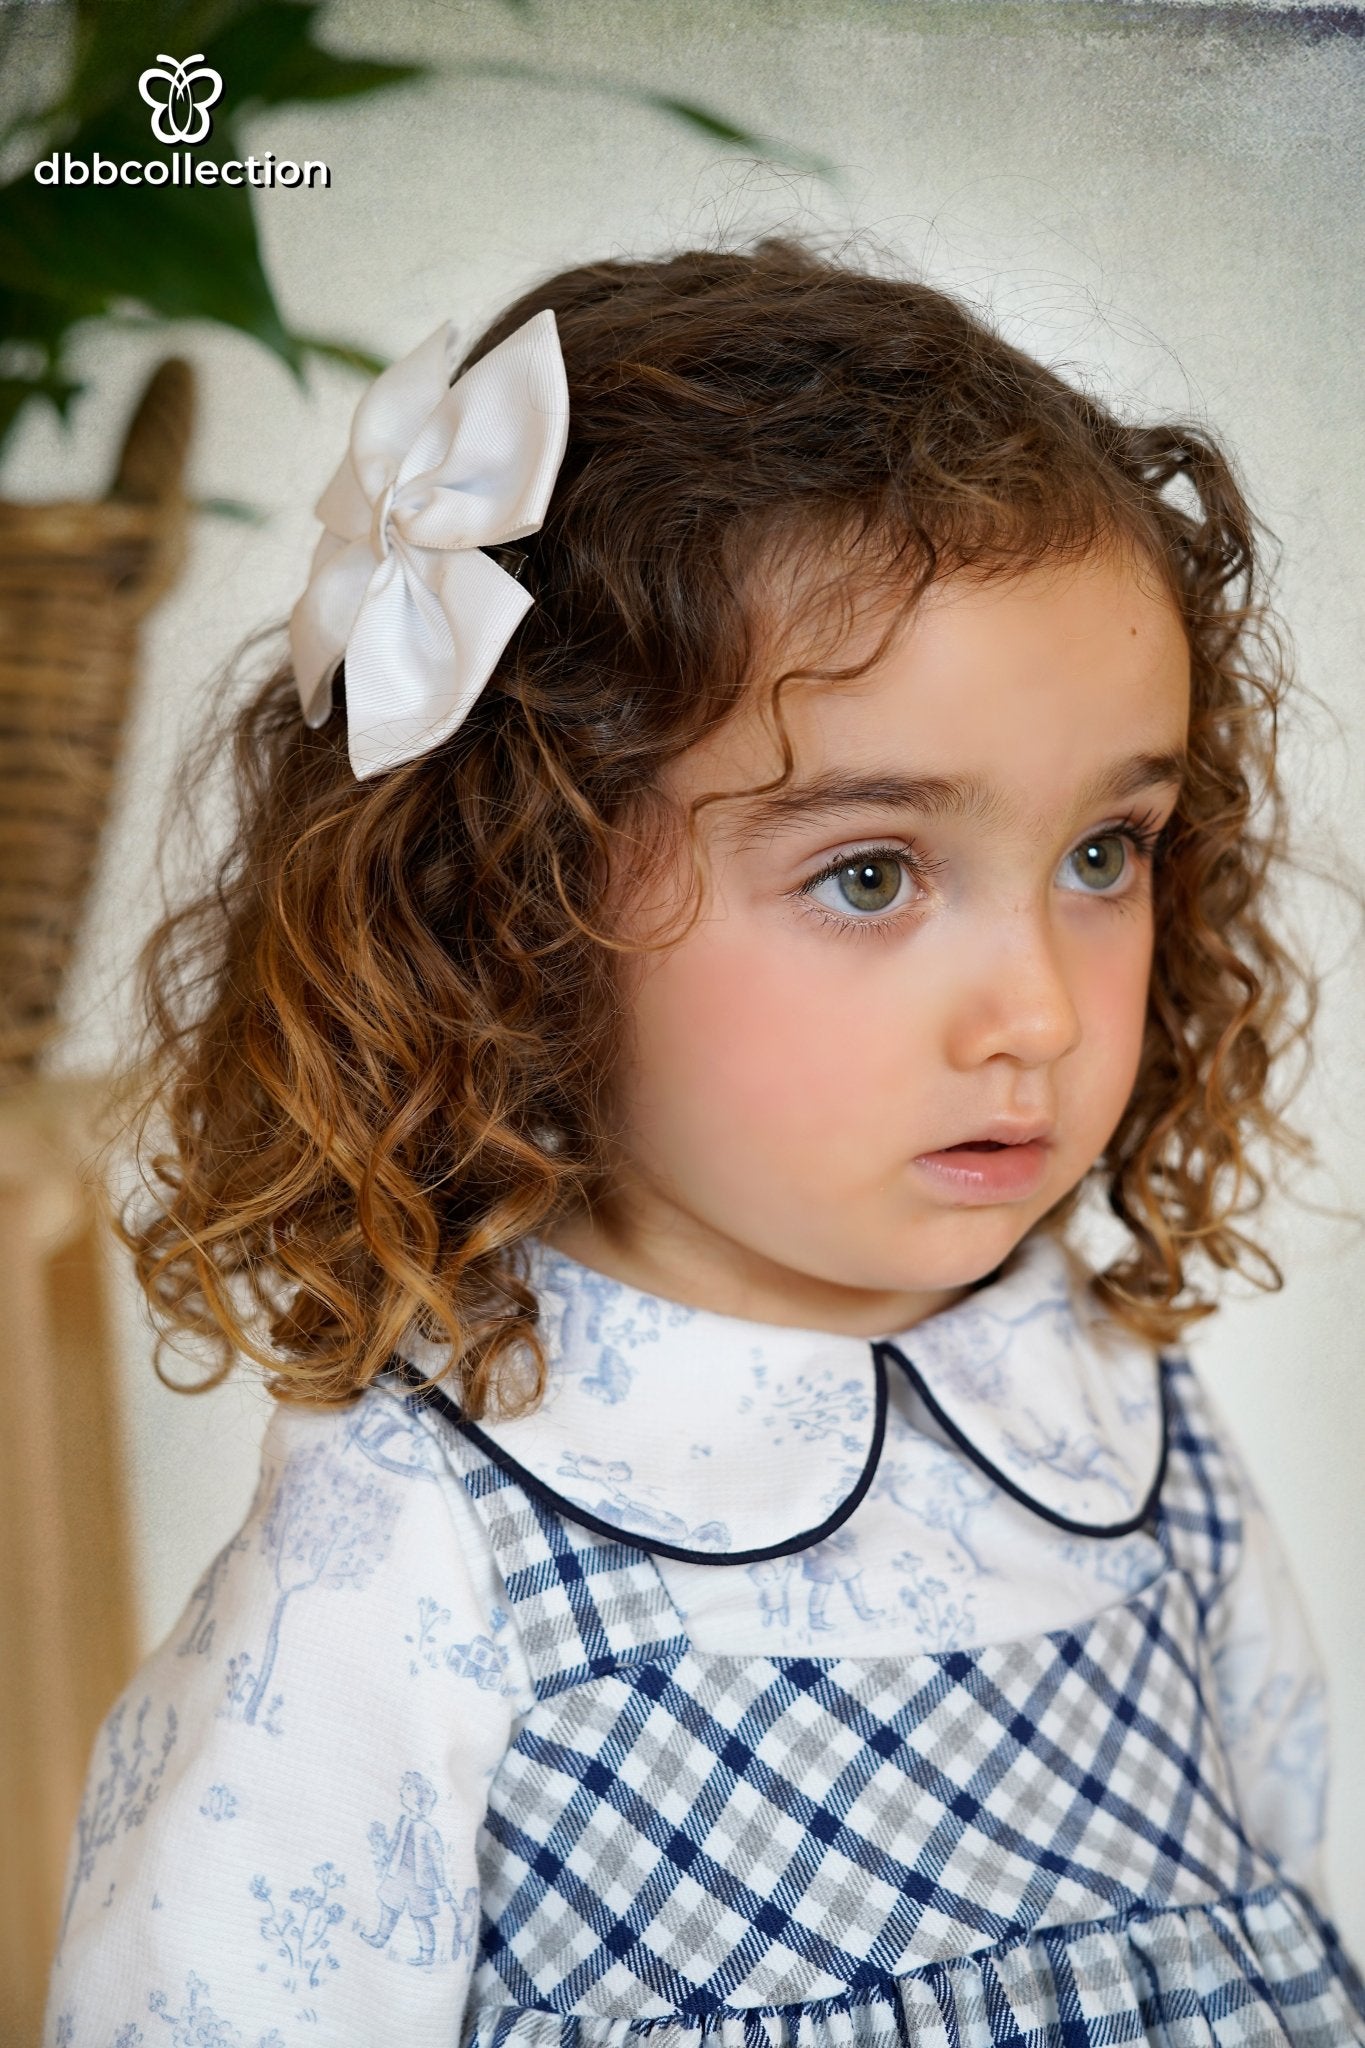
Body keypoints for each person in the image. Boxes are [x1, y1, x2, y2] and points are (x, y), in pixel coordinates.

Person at [44, 239, 1365, 2046]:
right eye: (872, 874)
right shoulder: (418, 1545)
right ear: (513, 904)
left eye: (1100, 854)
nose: (1043, 1015)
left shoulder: (1105, 1398)